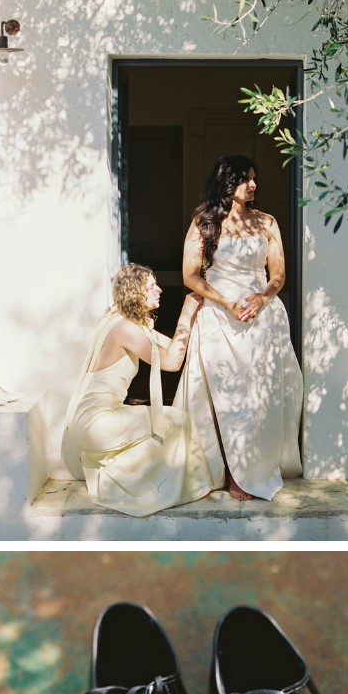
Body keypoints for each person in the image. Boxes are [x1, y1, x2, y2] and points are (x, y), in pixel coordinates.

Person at [177, 155, 303, 500]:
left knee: (258, 395)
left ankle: (254, 467)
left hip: (262, 317)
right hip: (219, 316)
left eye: (254, 178)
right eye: (246, 179)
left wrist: (262, 298)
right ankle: (229, 471)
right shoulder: (204, 221)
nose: (253, 184)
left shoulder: (267, 222)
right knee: (224, 394)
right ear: (227, 182)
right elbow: (190, 275)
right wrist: (226, 303)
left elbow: (278, 274)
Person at [61, 263, 214, 515]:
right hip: (95, 423)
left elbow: (173, 347)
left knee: (161, 421)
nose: (159, 290)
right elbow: (172, 362)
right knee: (178, 419)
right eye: (152, 286)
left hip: (86, 419)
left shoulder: (120, 322)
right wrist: (186, 313)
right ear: (135, 291)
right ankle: (188, 488)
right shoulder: (125, 329)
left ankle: (134, 477)